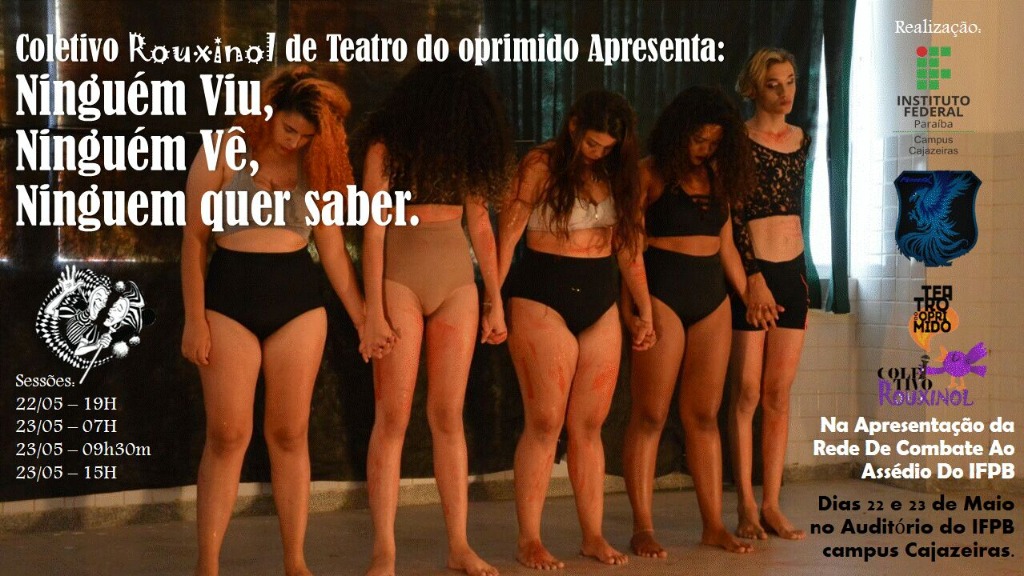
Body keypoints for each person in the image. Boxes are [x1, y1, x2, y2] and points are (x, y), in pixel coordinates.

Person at [181, 65, 366, 576]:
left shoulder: (316, 161)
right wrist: (194, 320)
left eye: (305, 136)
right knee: (227, 435)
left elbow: (333, 251)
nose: (294, 142)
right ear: (269, 112)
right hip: (229, 296)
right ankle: (207, 564)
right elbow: (194, 240)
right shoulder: (224, 149)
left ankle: (295, 560)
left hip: (297, 300)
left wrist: (364, 319)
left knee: (289, 433)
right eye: (289, 129)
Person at [358, 61, 514, 576]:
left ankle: (459, 544)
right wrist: (373, 312)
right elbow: (373, 232)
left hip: (455, 282)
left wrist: (494, 297)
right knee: (393, 416)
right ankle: (384, 549)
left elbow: (481, 225)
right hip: (400, 277)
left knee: (448, 415)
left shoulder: (464, 152)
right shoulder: (386, 149)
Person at [498, 90, 655, 570]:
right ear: (573, 127)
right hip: (541, 294)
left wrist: (644, 309)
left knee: (588, 426)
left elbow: (629, 248)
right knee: (545, 421)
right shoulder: (540, 164)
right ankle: (529, 538)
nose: (598, 153)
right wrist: (491, 300)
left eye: (608, 147)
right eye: (592, 144)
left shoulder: (618, 174)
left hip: (600, 299)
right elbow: (508, 233)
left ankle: (593, 535)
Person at [622, 86, 755, 557]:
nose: (705, 149)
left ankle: (713, 524)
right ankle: (642, 525)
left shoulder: (718, 177)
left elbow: (727, 246)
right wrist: (636, 307)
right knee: (651, 414)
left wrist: (749, 293)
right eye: (699, 140)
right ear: (679, 133)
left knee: (703, 415)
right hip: (662, 294)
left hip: (711, 299)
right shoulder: (649, 173)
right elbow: (628, 246)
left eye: (715, 142)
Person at [728, 47, 812, 541]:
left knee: (778, 393)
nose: (785, 93)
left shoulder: (803, 138)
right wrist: (752, 277)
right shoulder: (738, 141)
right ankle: (744, 503)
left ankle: (772, 504)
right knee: (747, 392)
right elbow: (733, 214)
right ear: (754, 88)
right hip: (752, 274)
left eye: (791, 81)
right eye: (774, 84)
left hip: (793, 271)